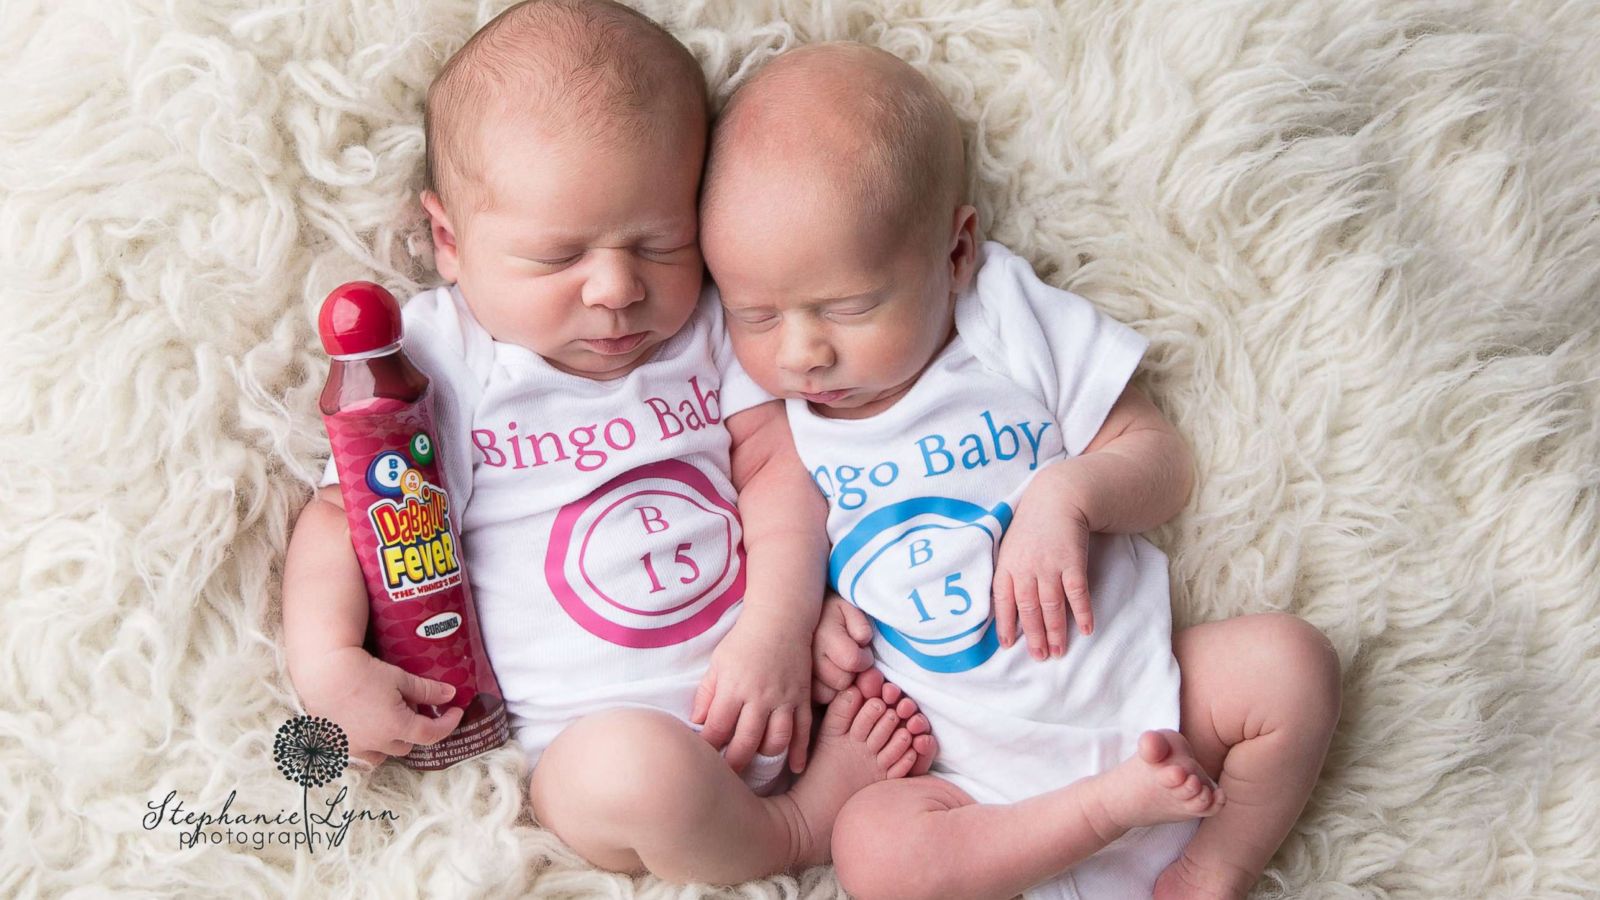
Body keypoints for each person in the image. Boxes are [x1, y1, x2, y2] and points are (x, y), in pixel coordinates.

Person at [281, 4, 935, 885]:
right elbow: (342, 520)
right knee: (630, 771)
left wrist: (781, 628)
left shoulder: (708, 326)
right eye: (558, 258)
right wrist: (329, 666)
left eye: (661, 244)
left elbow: (781, 470)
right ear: (449, 240)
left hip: (773, 685)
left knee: (888, 621)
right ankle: (794, 830)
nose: (619, 289)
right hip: (590, 749)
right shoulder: (439, 363)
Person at [700, 42, 1343, 900]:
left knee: (1290, 667)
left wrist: (1068, 495)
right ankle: (1104, 810)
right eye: (755, 315)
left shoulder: (1003, 320)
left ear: (956, 251)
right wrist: (821, 624)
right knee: (872, 850)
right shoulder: (776, 414)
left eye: (850, 307)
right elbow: (785, 537)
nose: (802, 351)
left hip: (1143, 699)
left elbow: (1160, 464)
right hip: (972, 780)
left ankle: (1212, 868)